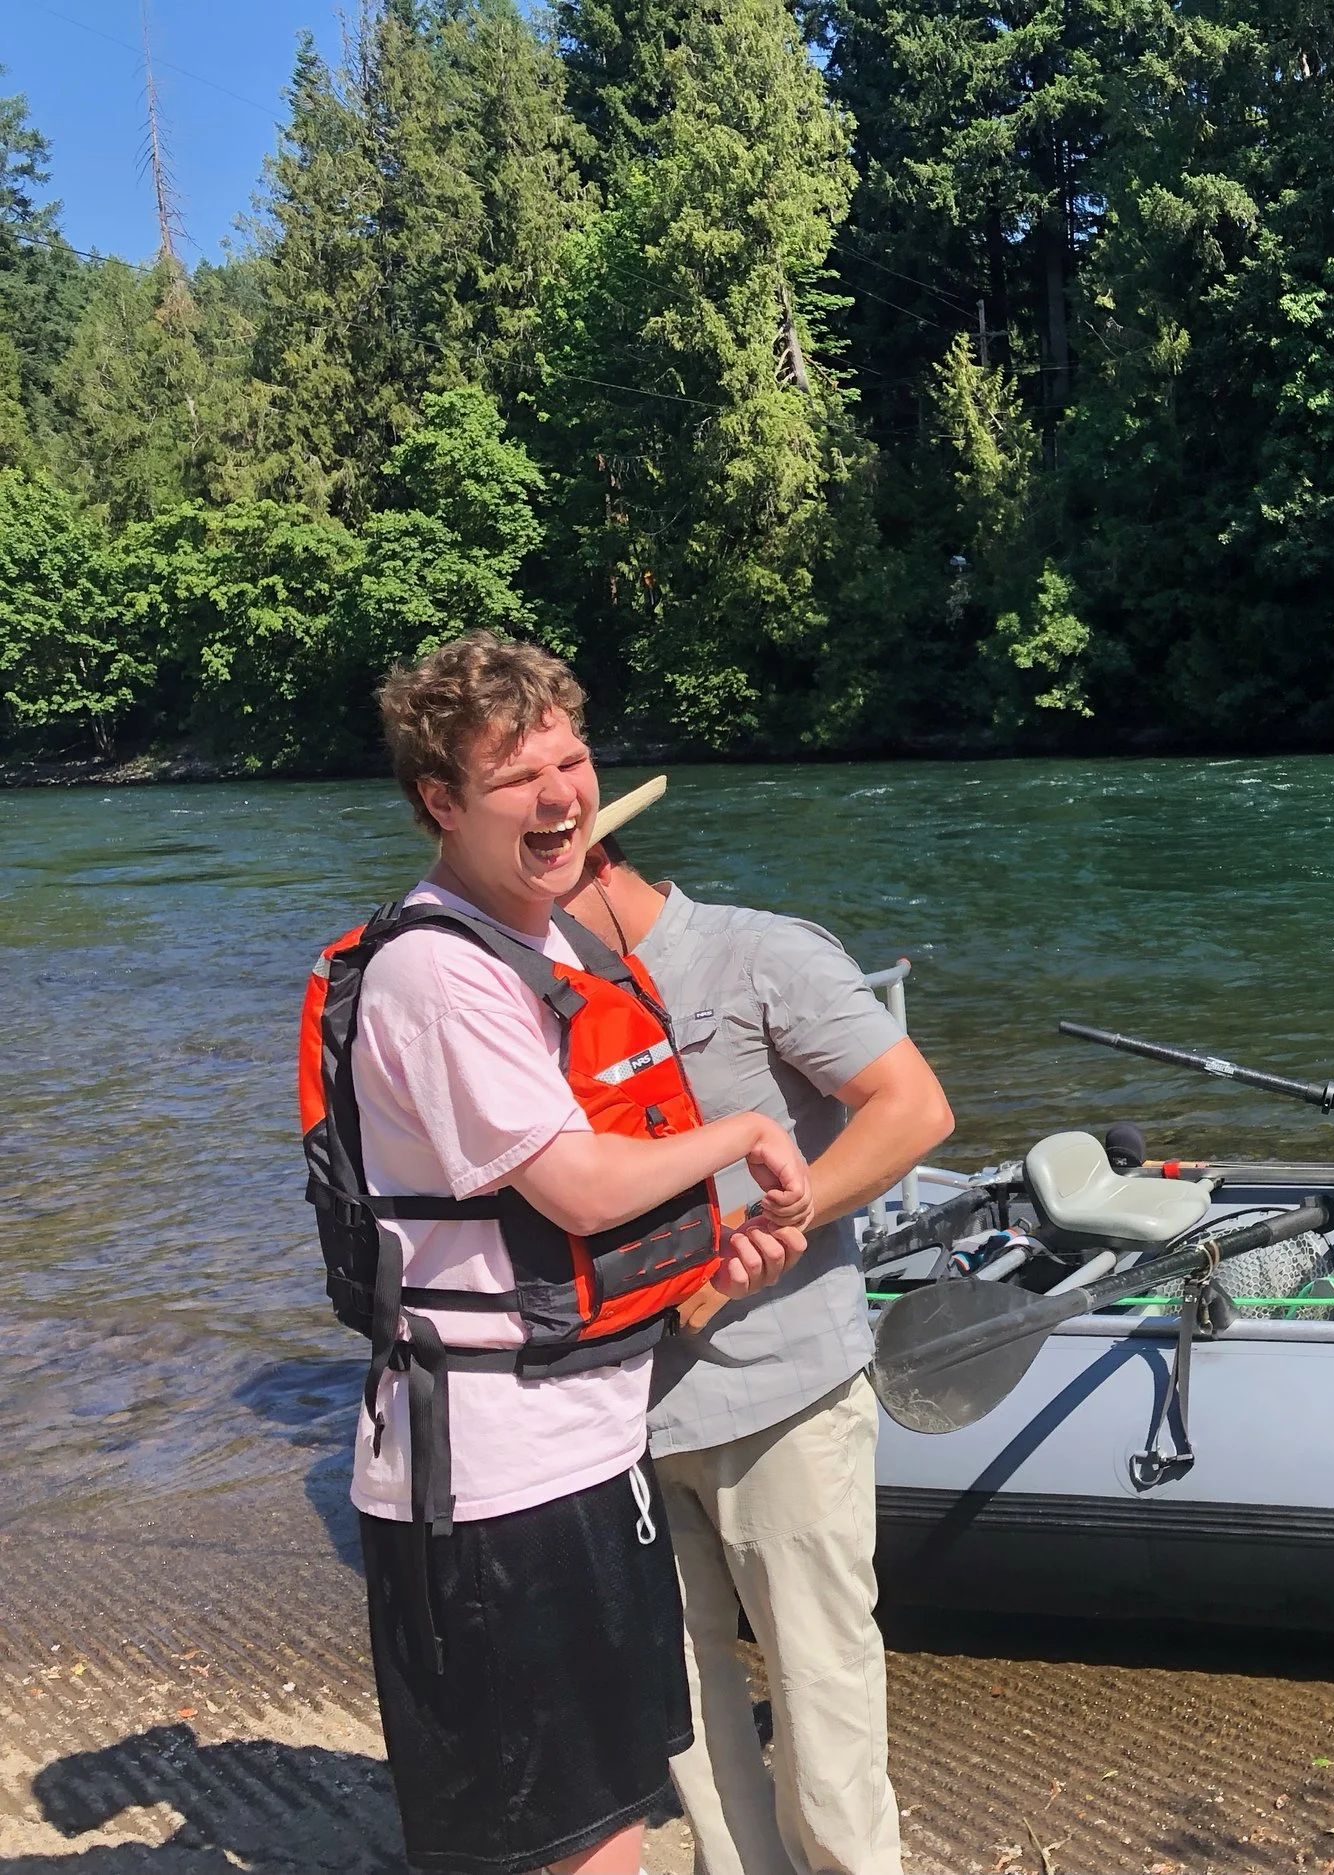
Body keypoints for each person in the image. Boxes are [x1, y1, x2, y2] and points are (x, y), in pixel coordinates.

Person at [304, 633, 811, 1875]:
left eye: (573, 760)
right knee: (568, 1845)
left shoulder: (555, 945)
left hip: (586, 1446)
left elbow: (593, 1212)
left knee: (614, 1811)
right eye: (517, 778)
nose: (563, 796)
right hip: (488, 1486)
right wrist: (741, 1132)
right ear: (439, 803)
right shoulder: (438, 973)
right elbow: (576, 1188)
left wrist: (704, 1256)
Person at [562, 783, 953, 1875]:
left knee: (822, 1695)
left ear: (595, 862)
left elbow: (914, 1110)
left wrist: (757, 1245)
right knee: (680, 1710)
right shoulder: (539, 998)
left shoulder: (759, 955)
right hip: (619, 1416)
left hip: (782, 1394)